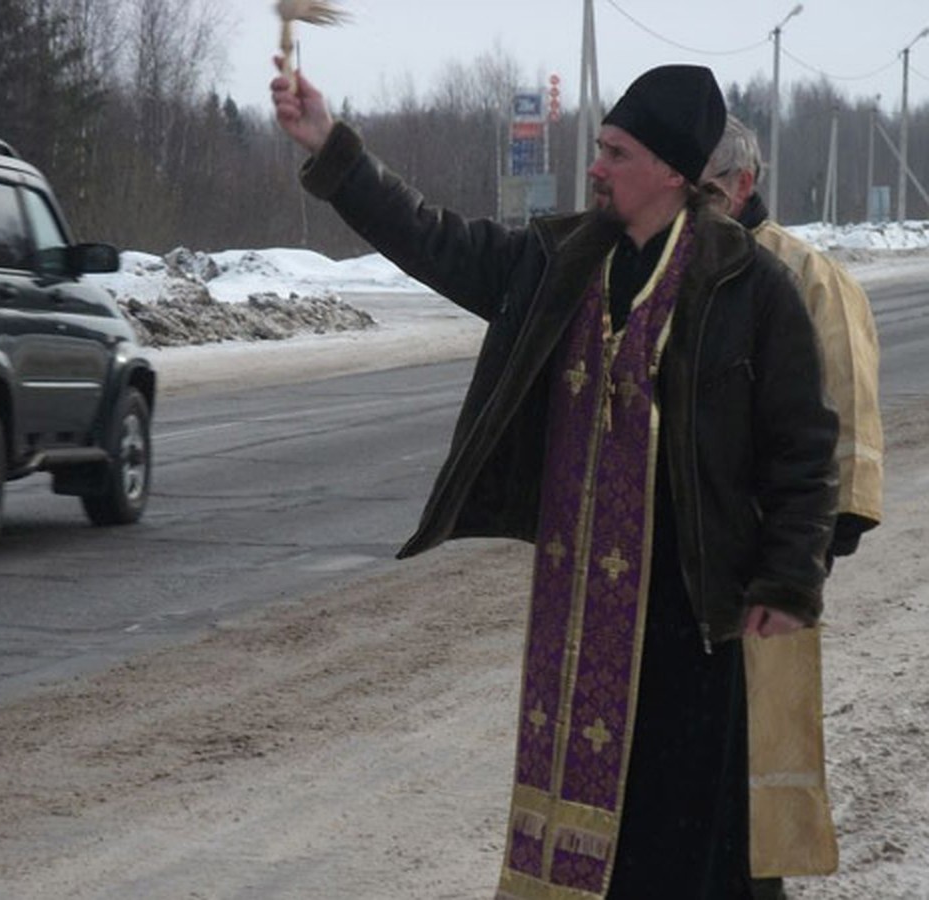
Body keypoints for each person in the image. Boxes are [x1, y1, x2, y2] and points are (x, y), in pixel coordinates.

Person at [272, 62, 839, 900]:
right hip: (575, 620)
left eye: (615, 151)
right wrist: (333, 148)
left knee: (684, 841)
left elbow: (805, 451)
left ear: (673, 173)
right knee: (578, 842)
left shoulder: (748, 288)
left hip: (695, 619)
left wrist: (790, 579)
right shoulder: (561, 262)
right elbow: (436, 238)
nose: (596, 165)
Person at [702, 115, 884, 900]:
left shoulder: (803, 274)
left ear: (741, 186)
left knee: (757, 775)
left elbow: (844, 420)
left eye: (703, 189)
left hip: (771, 565)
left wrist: (801, 560)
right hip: (691, 564)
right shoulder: (673, 264)